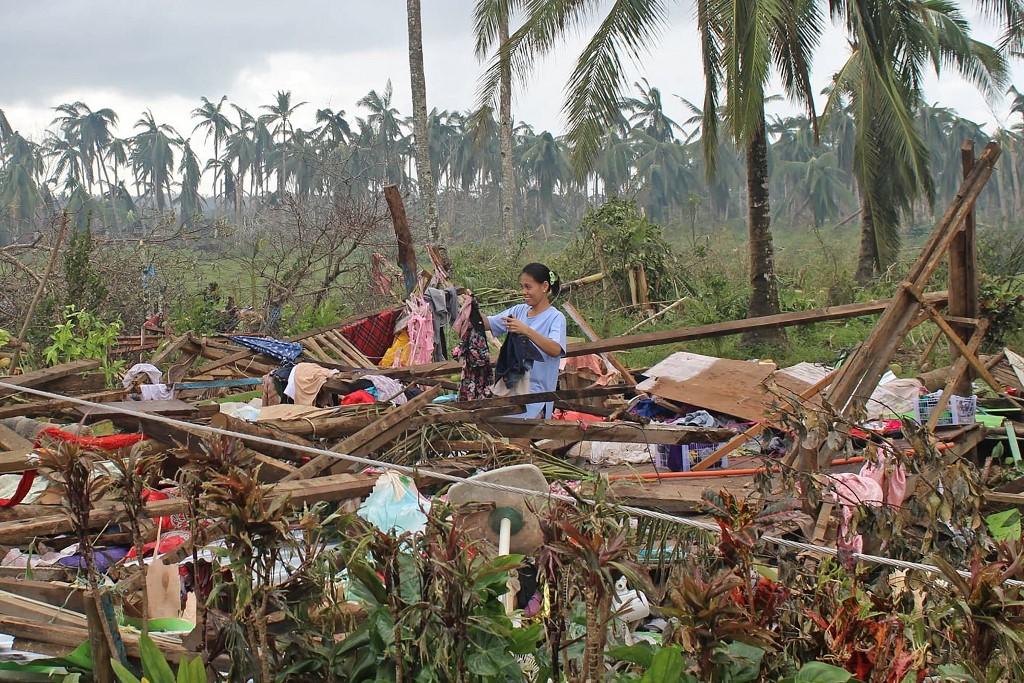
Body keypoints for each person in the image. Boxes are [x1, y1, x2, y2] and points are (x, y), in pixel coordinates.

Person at [482, 263, 567, 419]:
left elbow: (555, 349)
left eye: (528, 287)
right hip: (513, 391)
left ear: (545, 286)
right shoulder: (518, 311)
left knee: (518, 438)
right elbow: (488, 323)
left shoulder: (555, 317)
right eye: (522, 287)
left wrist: (526, 330)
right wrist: (470, 305)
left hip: (537, 396)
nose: (524, 292)